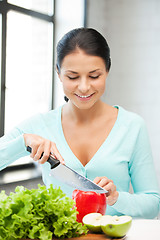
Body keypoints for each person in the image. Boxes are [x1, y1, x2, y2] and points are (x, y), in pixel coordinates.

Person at [0, 28, 159, 219]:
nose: (84, 87)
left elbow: (152, 204)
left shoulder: (133, 126)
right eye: (73, 77)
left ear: (107, 70)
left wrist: (117, 198)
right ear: (58, 73)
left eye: (94, 76)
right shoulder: (39, 125)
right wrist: (23, 142)